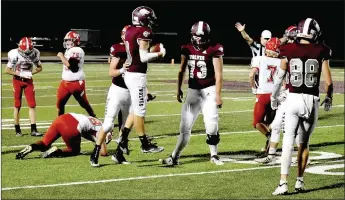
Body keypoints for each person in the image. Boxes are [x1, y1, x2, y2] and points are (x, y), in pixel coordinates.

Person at [270, 18, 333, 195]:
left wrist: (274, 97)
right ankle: (300, 181)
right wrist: (328, 97)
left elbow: (279, 77)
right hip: (311, 101)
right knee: (304, 144)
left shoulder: (288, 49)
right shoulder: (322, 50)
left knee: (288, 142)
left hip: (292, 98)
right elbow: (328, 82)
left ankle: (283, 183)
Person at [90, 24, 161, 167]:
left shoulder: (136, 49)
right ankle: (95, 153)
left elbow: (139, 73)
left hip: (130, 90)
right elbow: (111, 72)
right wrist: (123, 69)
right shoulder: (118, 48)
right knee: (109, 124)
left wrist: (146, 92)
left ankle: (119, 154)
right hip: (117, 90)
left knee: (126, 126)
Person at [161, 21, 224, 166]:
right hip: (193, 91)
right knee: (184, 127)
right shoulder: (186, 48)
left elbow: (219, 74)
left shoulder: (215, 48)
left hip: (209, 91)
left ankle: (214, 155)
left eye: (202, 37)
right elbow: (182, 70)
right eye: (196, 36)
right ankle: (174, 156)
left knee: (211, 125)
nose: (199, 39)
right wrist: (178, 89)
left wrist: (219, 95)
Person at [122, 6, 165, 153]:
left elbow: (136, 51)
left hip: (130, 74)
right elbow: (143, 57)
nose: (151, 22)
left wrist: (152, 50)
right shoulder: (144, 31)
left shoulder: (129, 30)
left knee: (135, 109)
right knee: (140, 110)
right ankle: (145, 144)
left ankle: (122, 139)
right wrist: (160, 54)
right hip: (136, 75)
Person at [15, 113, 112, 159]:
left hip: (62, 118)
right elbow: (103, 152)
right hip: (72, 125)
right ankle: (56, 151)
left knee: (44, 143)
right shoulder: (102, 130)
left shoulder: (97, 123)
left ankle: (31, 147)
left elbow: (86, 131)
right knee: (74, 150)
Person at [5, 37, 44, 137]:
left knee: (32, 105)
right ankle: (17, 130)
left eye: (28, 52)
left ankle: (34, 129)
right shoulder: (14, 54)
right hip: (17, 81)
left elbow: (39, 68)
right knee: (17, 105)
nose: (26, 54)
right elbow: (7, 70)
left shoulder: (35, 53)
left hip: (28, 81)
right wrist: (20, 74)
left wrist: (30, 73)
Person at [249, 37, 282, 153]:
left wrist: (254, 88)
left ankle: (269, 137)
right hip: (276, 95)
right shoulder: (281, 61)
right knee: (269, 122)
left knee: (257, 123)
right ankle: (269, 147)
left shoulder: (259, 59)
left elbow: (251, 75)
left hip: (263, 94)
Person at [56, 31, 96, 117]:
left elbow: (72, 67)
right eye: (66, 40)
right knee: (60, 104)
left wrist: (61, 56)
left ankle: (94, 117)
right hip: (65, 82)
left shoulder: (77, 50)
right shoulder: (69, 50)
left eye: (69, 40)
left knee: (83, 103)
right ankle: (59, 122)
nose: (67, 42)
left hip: (76, 82)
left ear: (75, 41)